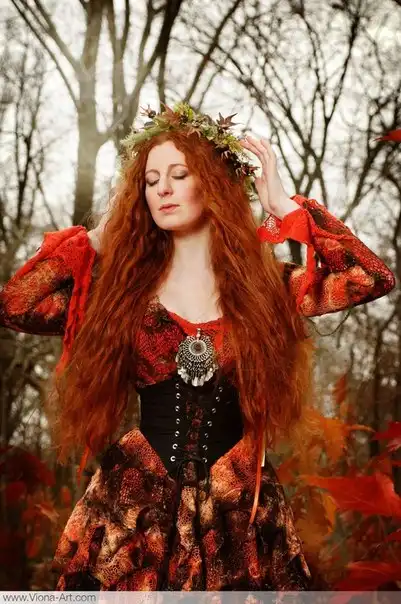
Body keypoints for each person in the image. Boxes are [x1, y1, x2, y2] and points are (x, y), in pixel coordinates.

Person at [0, 102, 395, 592]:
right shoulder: (120, 296)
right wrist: (96, 239)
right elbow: (15, 304)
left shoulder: (267, 289)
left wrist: (286, 208)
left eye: (179, 174)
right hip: (136, 507)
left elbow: (370, 278)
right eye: (150, 180)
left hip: (237, 513)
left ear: (212, 183)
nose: (162, 189)